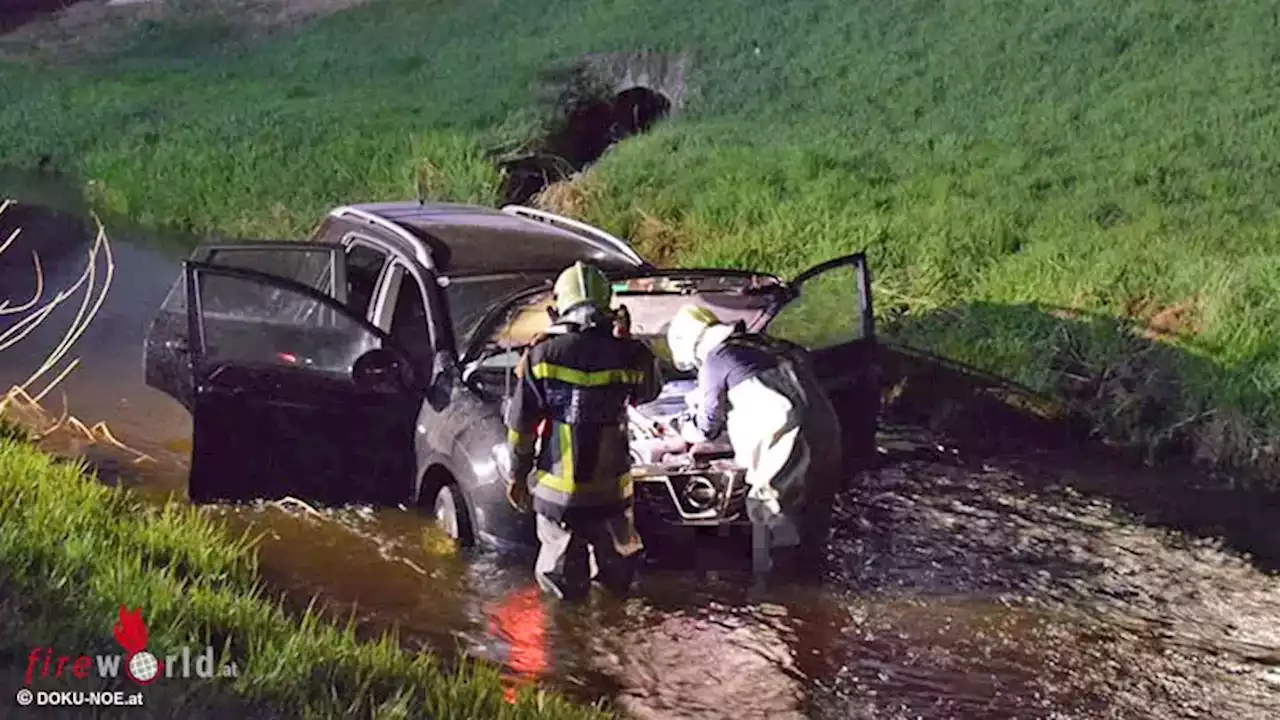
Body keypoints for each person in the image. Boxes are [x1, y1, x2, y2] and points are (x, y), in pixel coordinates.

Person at [504, 261, 663, 601]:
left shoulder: (543, 354)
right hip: (611, 494)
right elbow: (647, 393)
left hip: (558, 495)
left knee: (560, 588)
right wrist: (629, 340)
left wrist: (517, 476)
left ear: (559, 307)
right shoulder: (630, 355)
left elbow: (522, 426)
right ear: (609, 305)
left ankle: (565, 648)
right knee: (617, 585)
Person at [664, 304, 843, 579]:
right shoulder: (766, 344)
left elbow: (706, 428)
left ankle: (778, 598)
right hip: (827, 427)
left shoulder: (716, 358)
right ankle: (817, 581)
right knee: (816, 511)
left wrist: (678, 428)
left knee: (770, 510)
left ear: (691, 346)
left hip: (788, 436)